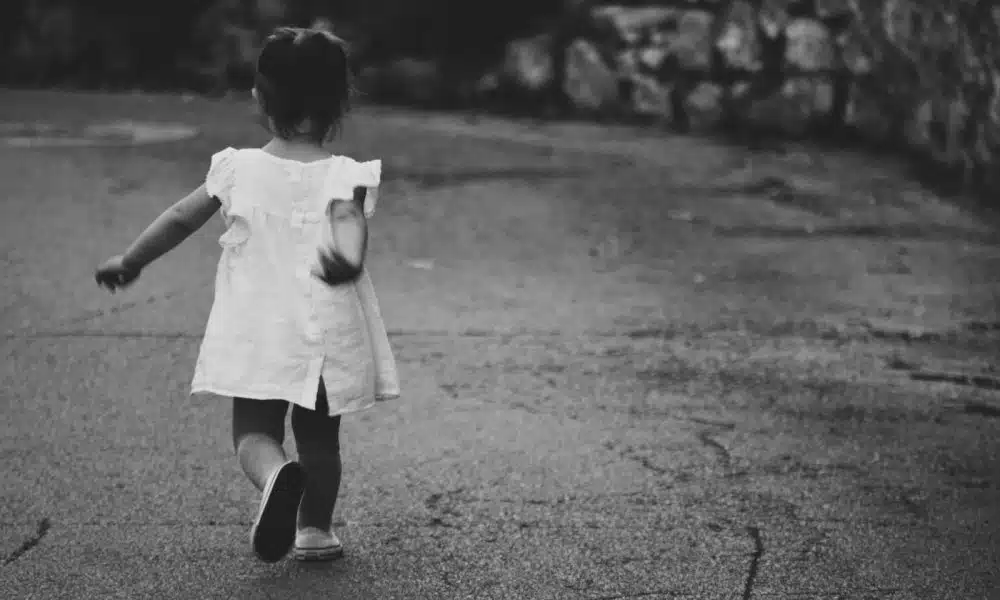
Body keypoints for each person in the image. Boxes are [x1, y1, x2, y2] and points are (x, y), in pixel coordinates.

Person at [94, 26, 400, 563]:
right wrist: (337, 260)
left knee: (255, 432)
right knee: (321, 442)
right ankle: (315, 531)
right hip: (325, 334)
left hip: (259, 330)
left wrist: (131, 260)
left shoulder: (237, 168)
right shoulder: (346, 177)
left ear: (260, 99)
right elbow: (348, 254)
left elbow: (180, 218)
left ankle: (275, 474)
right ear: (340, 102)